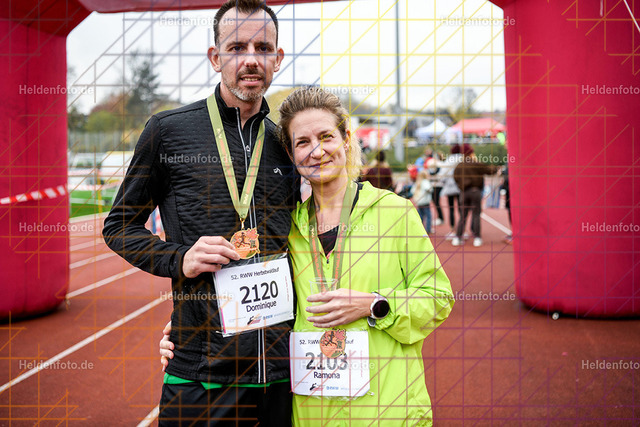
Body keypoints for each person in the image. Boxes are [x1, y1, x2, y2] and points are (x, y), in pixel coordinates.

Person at [162, 87, 455, 425]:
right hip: (312, 414)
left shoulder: (395, 213)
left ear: (346, 139)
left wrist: (374, 305)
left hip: (386, 412)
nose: (317, 151)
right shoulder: (286, 229)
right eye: (303, 142)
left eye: (326, 137)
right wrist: (190, 327)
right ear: (291, 152)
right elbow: (261, 305)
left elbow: (438, 298)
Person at [102, 1, 297, 425]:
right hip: (201, 373)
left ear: (278, 58)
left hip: (280, 373)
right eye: (237, 47)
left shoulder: (286, 144)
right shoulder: (167, 131)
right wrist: (180, 258)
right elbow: (118, 226)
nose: (251, 59)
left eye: (263, 47)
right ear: (215, 57)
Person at [451, 144, 499, 247]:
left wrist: (461, 186)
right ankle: (477, 238)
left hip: (464, 193)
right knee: (476, 214)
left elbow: (455, 177)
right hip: (475, 191)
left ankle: (458, 237)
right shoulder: (475, 163)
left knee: (463, 216)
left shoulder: (459, 165)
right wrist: (496, 167)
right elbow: (489, 170)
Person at [439, 144, 463, 239]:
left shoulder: (448, 160)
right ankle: (462, 231)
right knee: (461, 210)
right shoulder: (463, 159)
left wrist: (445, 182)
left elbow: (442, 175)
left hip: (450, 188)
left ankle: (453, 230)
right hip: (461, 188)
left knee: (451, 209)